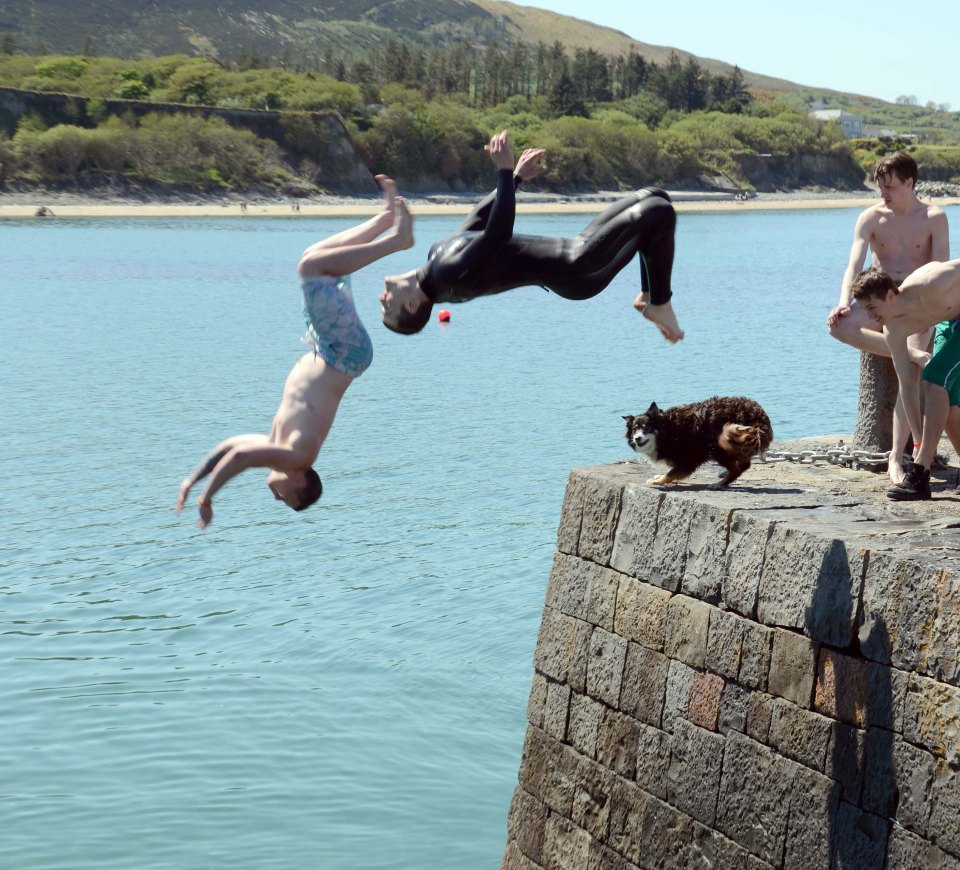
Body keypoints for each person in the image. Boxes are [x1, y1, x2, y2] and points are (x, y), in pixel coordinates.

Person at [175, 176, 413, 528]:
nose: (273, 495)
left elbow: (229, 448)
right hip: (342, 352)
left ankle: (383, 220)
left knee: (312, 260)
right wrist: (207, 498)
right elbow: (241, 458)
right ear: (300, 480)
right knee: (312, 270)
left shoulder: (277, 443)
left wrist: (191, 480)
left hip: (332, 350)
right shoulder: (297, 455)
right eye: (283, 497)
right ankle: (397, 240)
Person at [379, 130, 684, 343]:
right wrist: (504, 169)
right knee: (658, 212)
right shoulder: (449, 279)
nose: (381, 298)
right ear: (410, 306)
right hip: (578, 268)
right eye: (386, 306)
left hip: (577, 251)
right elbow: (498, 233)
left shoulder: (435, 263)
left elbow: (479, 220)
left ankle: (649, 297)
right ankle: (659, 302)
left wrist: (516, 177)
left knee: (655, 196)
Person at [826, 151, 950, 483]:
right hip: (875, 299)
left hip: (913, 304)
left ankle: (897, 455)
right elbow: (854, 265)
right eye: (881, 187)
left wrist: (930, 314)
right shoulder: (870, 217)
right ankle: (909, 351)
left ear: (910, 183)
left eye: (890, 187)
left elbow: (941, 271)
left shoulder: (934, 217)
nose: (884, 194)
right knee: (837, 325)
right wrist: (842, 302)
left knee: (906, 372)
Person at [851, 260, 960, 499]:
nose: (870, 316)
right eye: (864, 310)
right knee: (948, 401)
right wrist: (919, 441)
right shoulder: (894, 330)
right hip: (949, 323)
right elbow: (908, 385)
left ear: (890, 295)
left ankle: (920, 474)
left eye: (871, 307)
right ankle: (922, 468)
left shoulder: (931, 281)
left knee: (934, 377)